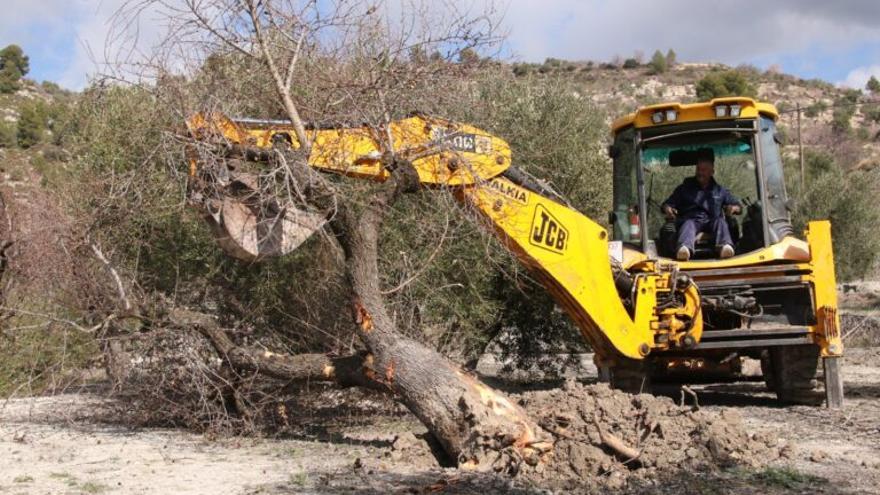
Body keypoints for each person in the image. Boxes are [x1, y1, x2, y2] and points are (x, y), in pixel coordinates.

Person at [661, 150, 741, 261]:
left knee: (721, 222)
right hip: (691, 220)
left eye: (704, 170)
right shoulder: (684, 189)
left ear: (712, 172)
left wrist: (733, 208)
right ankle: (684, 249)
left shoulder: (720, 190)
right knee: (688, 223)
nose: (700, 173)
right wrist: (668, 209)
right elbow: (667, 204)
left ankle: (725, 247)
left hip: (711, 222)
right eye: (698, 169)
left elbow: (738, 206)